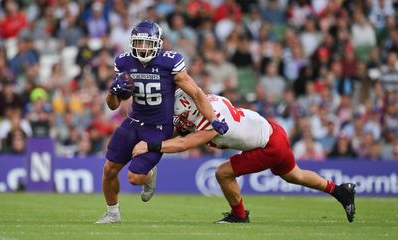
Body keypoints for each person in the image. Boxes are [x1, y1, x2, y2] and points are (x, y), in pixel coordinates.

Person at [132, 89, 356, 223]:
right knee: (294, 175)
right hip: (271, 131)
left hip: (267, 145)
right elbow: (183, 128)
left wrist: (150, 146)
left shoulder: (212, 123)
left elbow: (183, 143)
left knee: (223, 173)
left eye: (176, 110)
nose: (173, 113)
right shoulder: (207, 102)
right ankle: (339, 191)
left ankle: (239, 215)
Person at [95, 19, 229, 224]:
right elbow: (113, 105)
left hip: (158, 128)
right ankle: (112, 214)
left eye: (147, 43)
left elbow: (195, 92)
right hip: (133, 121)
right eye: (138, 43)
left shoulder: (169, 62)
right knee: (109, 169)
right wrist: (114, 91)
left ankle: (148, 174)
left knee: (134, 177)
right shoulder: (124, 62)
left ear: (157, 43)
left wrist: (212, 118)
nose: (142, 47)